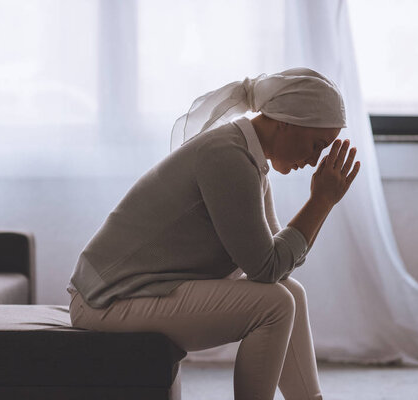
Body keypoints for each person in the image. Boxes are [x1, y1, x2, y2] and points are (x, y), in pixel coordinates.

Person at [67, 67, 361, 400]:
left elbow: (279, 266)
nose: (314, 160)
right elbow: (266, 269)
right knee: (275, 303)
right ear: (286, 122)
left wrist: (324, 202)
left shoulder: (247, 157)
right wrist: (320, 202)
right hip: (107, 301)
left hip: (132, 293)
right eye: (316, 145)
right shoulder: (227, 156)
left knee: (290, 292)